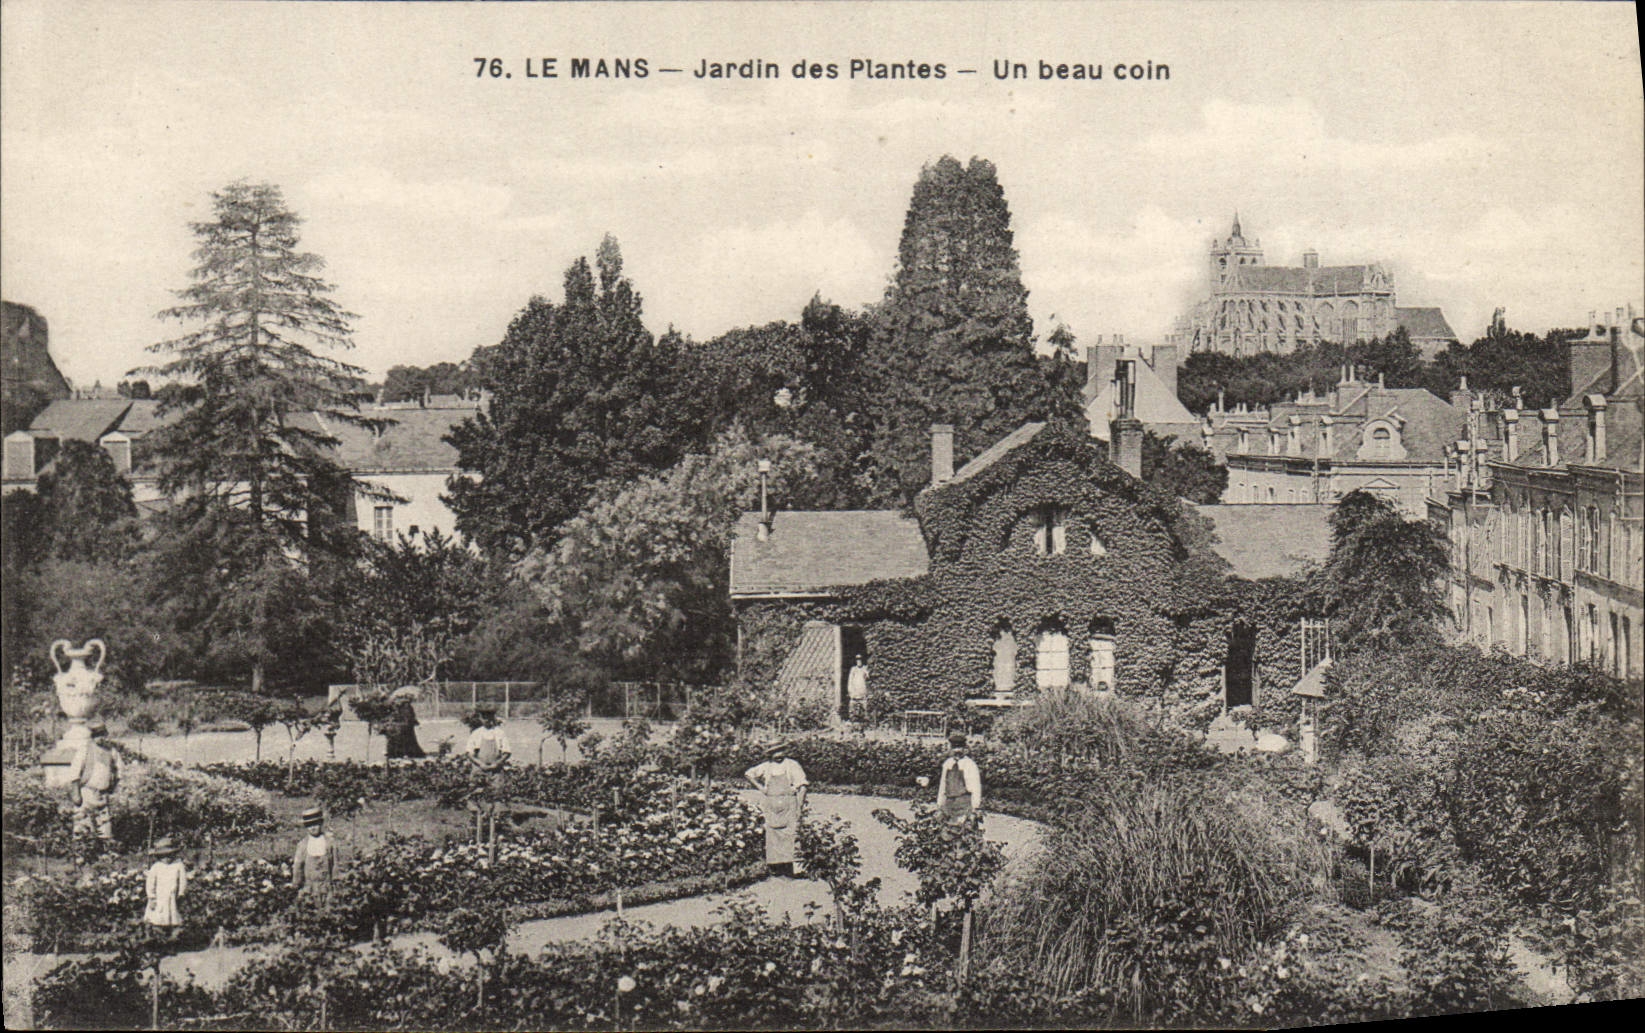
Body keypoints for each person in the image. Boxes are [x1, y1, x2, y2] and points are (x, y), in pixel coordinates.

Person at [744, 741, 808, 877]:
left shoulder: (792, 765)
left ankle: (789, 870)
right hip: (771, 805)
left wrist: (799, 807)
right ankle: (775, 871)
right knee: (773, 836)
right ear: (770, 754)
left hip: (789, 804)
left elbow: (802, 785)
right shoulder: (766, 767)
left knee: (790, 835)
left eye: (780, 751)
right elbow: (749, 774)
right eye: (774, 752)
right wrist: (762, 788)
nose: (778, 755)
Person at [66, 721, 121, 851]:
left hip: (102, 794)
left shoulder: (111, 751)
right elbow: (74, 773)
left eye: (102, 735)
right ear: (92, 737)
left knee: (105, 826)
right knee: (83, 823)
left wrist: (113, 786)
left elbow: (119, 770)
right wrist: (76, 794)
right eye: (97, 736)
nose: (100, 738)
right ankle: (81, 854)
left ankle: (105, 855)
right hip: (87, 792)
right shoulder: (85, 750)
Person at [466, 706, 511, 828]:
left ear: (493, 718)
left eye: (489, 718)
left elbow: (506, 752)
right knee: (476, 794)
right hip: (479, 769)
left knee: (497, 794)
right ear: (480, 719)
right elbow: (469, 753)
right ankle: (476, 821)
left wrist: (498, 763)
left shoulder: (499, 733)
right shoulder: (477, 733)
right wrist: (480, 763)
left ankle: (498, 821)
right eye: (484, 718)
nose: (487, 720)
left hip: (495, 770)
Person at [143, 836, 188, 942]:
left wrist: (181, 893)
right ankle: (158, 940)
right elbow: (150, 883)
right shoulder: (156, 867)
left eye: (169, 855)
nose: (167, 858)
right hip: (159, 897)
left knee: (173, 919)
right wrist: (151, 897)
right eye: (163, 856)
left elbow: (183, 881)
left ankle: (172, 940)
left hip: (173, 897)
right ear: (159, 856)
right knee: (157, 918)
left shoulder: (178, 865)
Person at [291, 806, 337, 906]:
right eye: (309, 825)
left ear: (321, 823)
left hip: (327, 888)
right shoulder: (303, 845)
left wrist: (336, 884)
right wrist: (296, 885)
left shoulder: (329, 843)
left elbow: (335, 865)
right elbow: (298, 868)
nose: (313, 828)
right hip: (309, 890)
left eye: (315, 824)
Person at [935, 731, 983, 822]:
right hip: (949, 805)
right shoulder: (947, 763)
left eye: (959, 747)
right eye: (954, 747)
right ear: (951, 748)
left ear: (964, 748)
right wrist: (940, 804)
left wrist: (975, 808)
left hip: (964, 804)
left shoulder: (970, 765)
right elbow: (943, 785)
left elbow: (976, 788)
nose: (957, 750)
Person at [384, 695, 426, 759]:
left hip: (405, 726)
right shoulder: (400, 706)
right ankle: (401, 752)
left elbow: (408, 717)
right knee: (406, 740)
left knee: (407, 740)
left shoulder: (405, 706)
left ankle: (403, 752)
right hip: (404, 726)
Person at [847, 655, 869, 723]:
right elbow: (850, 681)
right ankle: (853, 721)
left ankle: (865, 722)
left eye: (860, 660)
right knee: (852, 708)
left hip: (862, 692)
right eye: (857, 660)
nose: (859, 661)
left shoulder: (864, 668)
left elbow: (868, 678)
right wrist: (851, 691)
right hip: (855, 693)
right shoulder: (853, 669)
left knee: (865, 708)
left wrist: (866, 673)